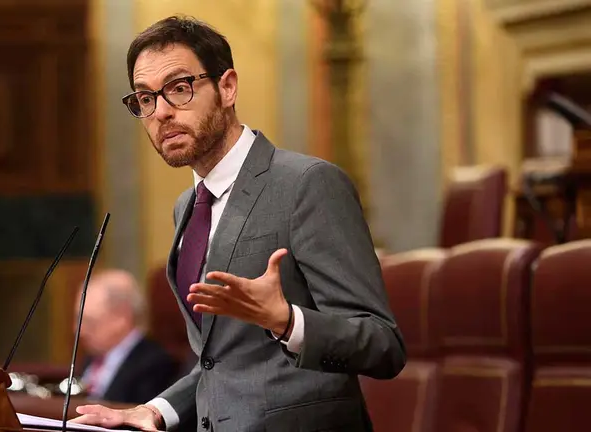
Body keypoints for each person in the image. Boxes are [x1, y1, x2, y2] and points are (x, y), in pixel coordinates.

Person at [72, 15, 406, 431]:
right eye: (145, 98)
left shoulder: (308, 184)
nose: (161, 113)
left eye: (179, 88)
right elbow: (220, 361)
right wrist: (157, 409)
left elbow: (383, 344)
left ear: (227, 87)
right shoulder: (187, 207)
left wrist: (287, 321)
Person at [73, 269, 178, 405]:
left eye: (89, 322)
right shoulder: (92, 358)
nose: (79, 330)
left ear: (121, 318)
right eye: (78, 320)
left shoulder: (154, 365)